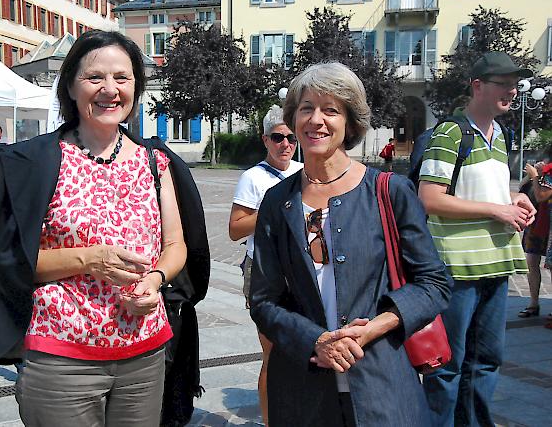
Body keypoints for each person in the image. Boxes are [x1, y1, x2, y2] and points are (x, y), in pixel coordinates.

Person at [0, 30, 188, 427]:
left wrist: (156, 279)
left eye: (122, 78)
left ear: (136, 87)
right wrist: (89, 259)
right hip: (62, 355)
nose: (110, 89)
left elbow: (175, 244)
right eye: (95, 78)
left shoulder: (155, 162)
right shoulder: (35, 160)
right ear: (70, 86)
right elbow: (9, 263)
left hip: (144, 352)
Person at [249, 62, 451, 427]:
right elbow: (263, 300)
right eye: (307, 108)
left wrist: (375, 326)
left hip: (382, 384)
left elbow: (434, 284)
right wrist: (315, 341)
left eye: (331, 110)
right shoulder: (277, 202)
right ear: (293, 118)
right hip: (302, 390)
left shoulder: (389, 191)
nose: (316, 120)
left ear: (350, 121)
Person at [419, 51, 536, 426]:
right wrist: (497, 210)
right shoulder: (451, 132)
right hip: (458, 267)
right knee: (448, 364)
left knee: (486, 361)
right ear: (478, 86)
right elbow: (430, 198)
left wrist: (514, 198)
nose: (513, 91)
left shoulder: (500, 134)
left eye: (514, 85)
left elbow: (486, 191)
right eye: (504, 83)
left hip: (497, 263)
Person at [228, 104, 302, 426]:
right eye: (277, 137)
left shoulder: (304, 171)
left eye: (291, 138)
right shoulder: (253, 178)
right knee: (272, 354)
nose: (285, 144)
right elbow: (235, 228)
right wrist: (275, 210)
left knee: (300, 351)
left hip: (301, 271)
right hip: (265, 272)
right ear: (265, 140)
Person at [521, 159, 552, 327]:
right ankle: (533, 303)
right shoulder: (545, 170)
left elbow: (541, 195)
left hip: (549, 223)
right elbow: (522, 188)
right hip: (536, 221)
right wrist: (533, 175)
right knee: (531, 261)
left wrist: (535, 176)